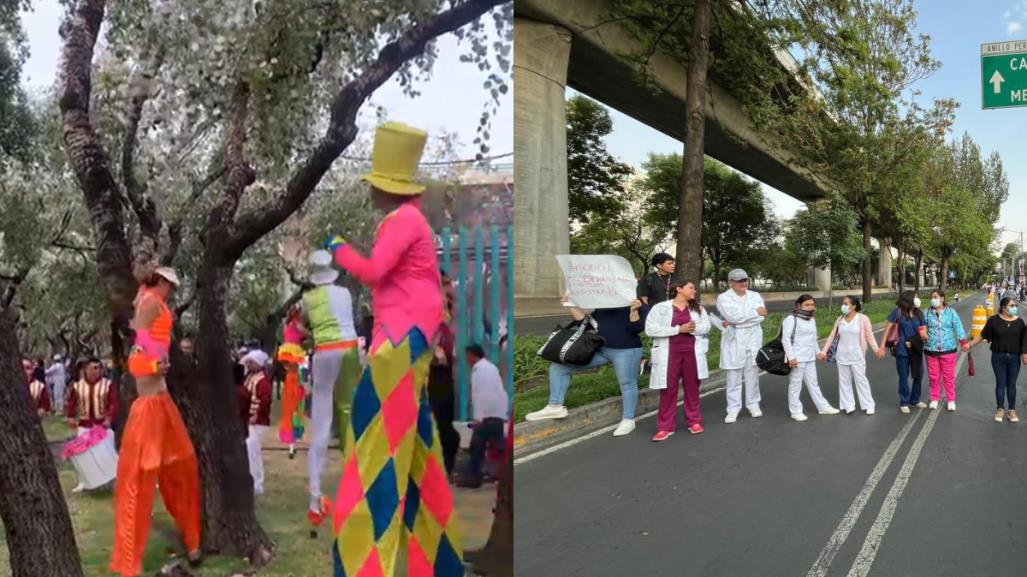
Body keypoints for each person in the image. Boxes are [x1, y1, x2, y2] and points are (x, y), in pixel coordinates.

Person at [325, 122, 462, 577]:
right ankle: (441, 564)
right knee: (420, 457)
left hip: (399, 343)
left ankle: (362, 568)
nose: (370, 194)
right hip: (407, 339)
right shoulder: (411, 221)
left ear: (386, 189)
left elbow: (374, 270)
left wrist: (337, 248)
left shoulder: (403, 221)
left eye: (375, 186)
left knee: (373, 452)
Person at [111, 266, 200, 577]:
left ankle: (192, 539)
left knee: (183, 464)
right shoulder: (148, 304)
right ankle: (129, 560)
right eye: (169, 286)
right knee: (141, 479)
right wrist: (153, 364)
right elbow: (136, 359)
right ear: (160, 282)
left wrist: (157, 362)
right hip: (149, 408)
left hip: (161, 403)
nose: (171, 292)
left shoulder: (153, 308)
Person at [523, 295, 647, 437]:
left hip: (627, 351)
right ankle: (555, 406)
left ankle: (628, 419)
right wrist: (570, 304)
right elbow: (585, 323)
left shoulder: (638, 304)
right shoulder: (604, 305)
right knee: (558, 368)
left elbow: (636, 329)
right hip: (602, 350)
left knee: (627, 383)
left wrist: (634, 310)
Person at [301, 249, 361, 529]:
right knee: (348, 411)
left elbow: (304, 324)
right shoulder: (346, 294)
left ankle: (315, 497)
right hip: (350, 349)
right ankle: (356, 483)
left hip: (325, 352)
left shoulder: (308, 298)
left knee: (322, 418)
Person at [646, 280, 711, 440]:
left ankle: (694, 421)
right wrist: (677, 330)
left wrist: (693, 328)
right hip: (669, 355)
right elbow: (650, 329)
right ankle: (665, 427)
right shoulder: (660, 308)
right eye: (691, 288)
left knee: (692, 388)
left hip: (691, 354)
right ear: (679, 289)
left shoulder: (697, 308)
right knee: (668, 390)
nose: (694, 291)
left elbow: (707, 327)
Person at [716, 268, 767, 423]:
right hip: (734, 340)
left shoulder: (755, 295)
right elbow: (733, 317)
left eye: (745, 280)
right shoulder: (723, 298)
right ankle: (733, 409)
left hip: (753, 338)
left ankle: (753, 404)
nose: (743, 283)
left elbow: (762, 316)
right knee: (734, 376)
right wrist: (754, 313)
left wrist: (743, 318)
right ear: (731, 282)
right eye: (739, 281)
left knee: (752, 374)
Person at [779, 295, 839, 421]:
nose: (810, 307)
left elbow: (813, 339)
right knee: (795, 385)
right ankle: (795, 411)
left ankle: (823, 407)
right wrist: (791, 357)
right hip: (797, 357)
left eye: (812, 304)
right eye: (807, 305)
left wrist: (818, 352)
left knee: (813, 383)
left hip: (809, 357)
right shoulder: (791, 319)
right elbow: (786, 339)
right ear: (799, 305)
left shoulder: (811, 320)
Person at [457, 344, 508, 488]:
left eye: (467, 356)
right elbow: (500, 391)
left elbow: (480, 395)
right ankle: (500, 475)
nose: (467, 360)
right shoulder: (491, 367)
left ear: (472, 355)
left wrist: (478, 417)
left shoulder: (479, 370)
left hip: (486, 416)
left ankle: (473, 479)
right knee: (498, 447)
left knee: (477, 447)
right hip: (496, 414)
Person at [968, 297, 1027, 423]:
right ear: (1004, 308)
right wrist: (970, 344)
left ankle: (1011, 410)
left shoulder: (1020, 322)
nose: (1014, 307)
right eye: (1012, 305)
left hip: (1014, 358)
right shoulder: (994, 321)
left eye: (1015, 305)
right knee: (1001, 383)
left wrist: (1024, 354)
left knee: (1011, 384)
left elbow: (1024, 341)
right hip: (998, 357)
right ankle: (1000, 408)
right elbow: (982, 335)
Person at [66, 356, 120, 492]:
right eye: (94, 368)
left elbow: (114, 403)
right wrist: (71, 417)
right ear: (86, 369)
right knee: (83, 455)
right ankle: (83, 482)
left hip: (102, 425)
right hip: (84, 425)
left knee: (106, 455)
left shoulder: (108, 384)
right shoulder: (77, 386)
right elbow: (71, 403)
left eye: (99, 368)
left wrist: (109, 418)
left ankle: (111, 482)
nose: (98, 371)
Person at [818, 296, 878, 415]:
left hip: (857, 355)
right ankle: (848, 405)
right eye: (843, 303)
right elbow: (832, 336)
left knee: (861, 380)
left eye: (846, 304)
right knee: (844, 381)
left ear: (854, 306)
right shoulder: (840, 319)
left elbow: (869, 336)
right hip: (842, 355)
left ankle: (868, 405)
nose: (843, 306)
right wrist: (823, 351)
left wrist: (876, 349)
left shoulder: (863, 319)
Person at [877, 291, 927, 413]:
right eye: (915, 297)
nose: (917, 299)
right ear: (909, 299)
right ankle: (904, 401)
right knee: (903, 376)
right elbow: (887, 329)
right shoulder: (898, 312)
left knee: (919, 374)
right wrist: (882, 347)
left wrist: (921, 337)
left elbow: (924, 330)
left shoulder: (918, 313)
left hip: (916, 349)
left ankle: (915, 399)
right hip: (901, 350)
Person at [920, 289, 968, 412]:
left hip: (948, 350)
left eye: (935, 297)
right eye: (932, 297)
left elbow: (958, 327)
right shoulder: (926, 313)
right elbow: (921, 326)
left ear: (942, 299)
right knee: (934, 376)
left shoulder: (951, 312)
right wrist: (922, 332)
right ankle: (934, 398)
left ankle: (950, 399)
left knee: (948, 377)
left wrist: (963, 342)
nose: (933, 300)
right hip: (931, 350)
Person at [429, 318, 460, 478]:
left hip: (444, 383)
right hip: (436, 383)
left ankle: (447, 466)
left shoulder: (449, 332)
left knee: (445, 427)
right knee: (441, 426)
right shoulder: (438, 331)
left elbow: (445, 359)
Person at [276, 304, 308, 459]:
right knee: (294, 374)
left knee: (292, 373)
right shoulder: (296, 323)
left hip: (288, 349)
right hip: (293, 350)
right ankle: (293, 437)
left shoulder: (286, 324)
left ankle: (293, 440)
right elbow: (304, 332)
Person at [239, 350, 272, 495]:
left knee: (253, 453)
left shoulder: (262, 381)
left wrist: (256, 415)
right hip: (248, 419)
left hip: (257, 421)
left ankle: (257, 485)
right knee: (249, 452)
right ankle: (250, 482)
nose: (248, 364)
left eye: (251, 362)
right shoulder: (250, 376)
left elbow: (265, 401)